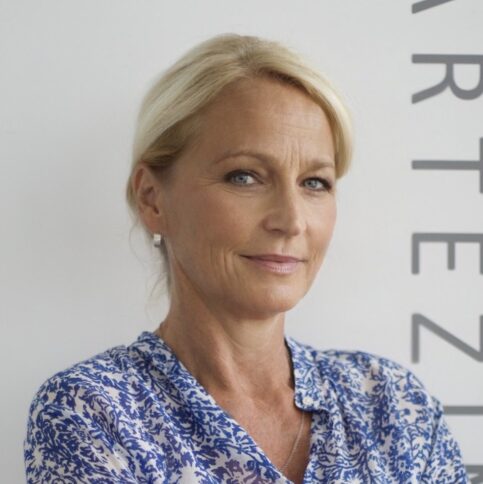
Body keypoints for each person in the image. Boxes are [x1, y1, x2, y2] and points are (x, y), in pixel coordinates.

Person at [24, 33, 469, 484]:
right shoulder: (92, 412)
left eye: (315, 182)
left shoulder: (392, 403)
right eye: (245, 177)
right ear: (152, 199)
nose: (292, 221)